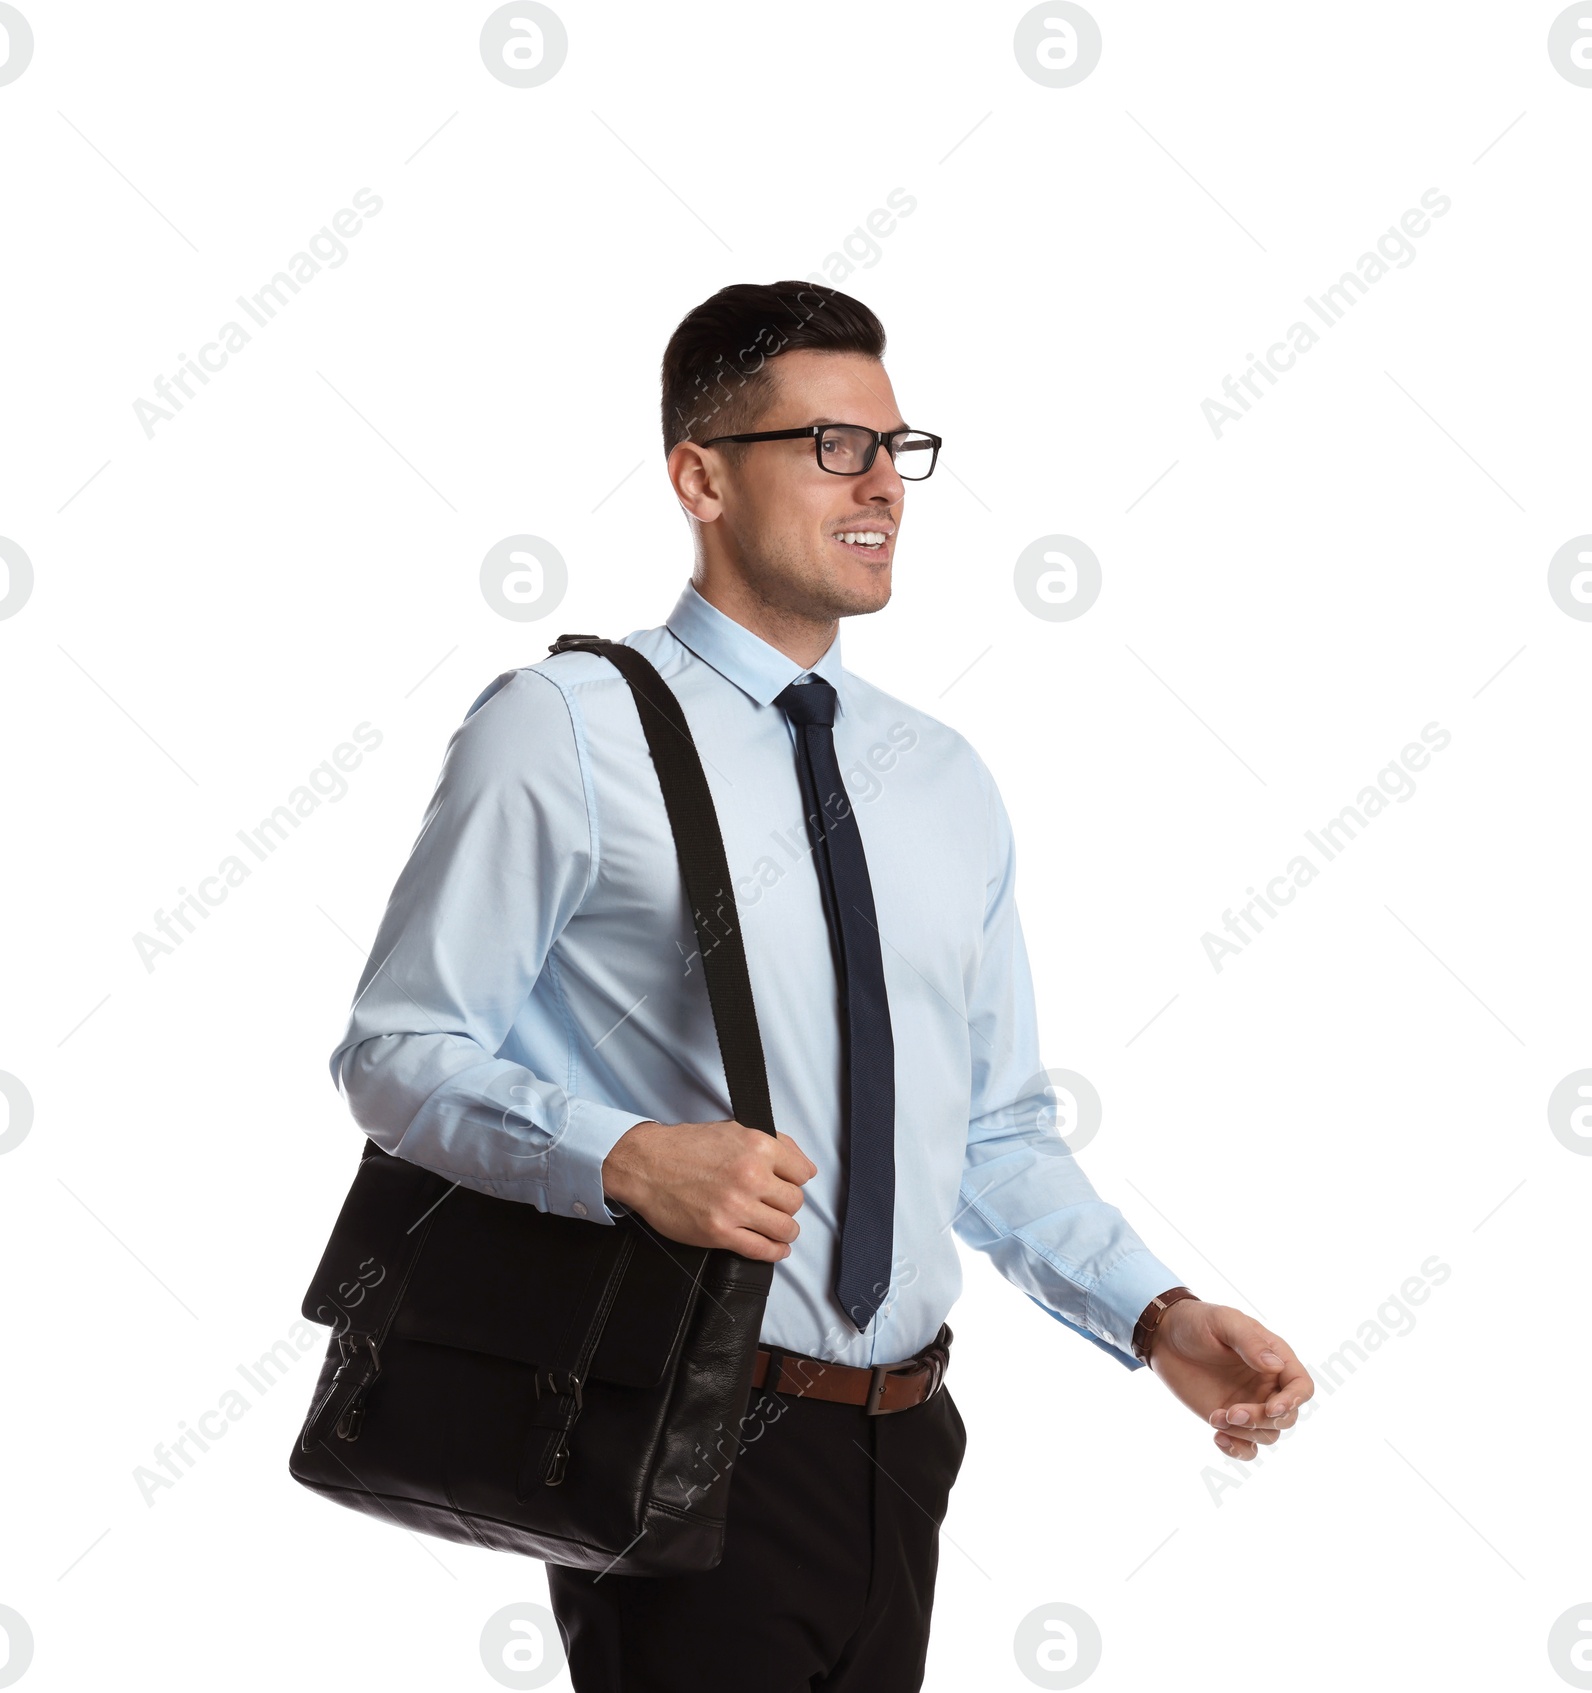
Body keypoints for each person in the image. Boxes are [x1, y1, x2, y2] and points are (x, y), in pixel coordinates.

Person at [328, 281, 1314, 1691]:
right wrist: (624, 1157)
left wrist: (1154, 1315)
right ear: (701, 475)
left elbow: (993, 1130)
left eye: (896, 450)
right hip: (684, 1422)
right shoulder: (560, 731)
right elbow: (397, 1050)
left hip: (907, 1444)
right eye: (832, 446)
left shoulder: (944, 782)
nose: (883, 487)